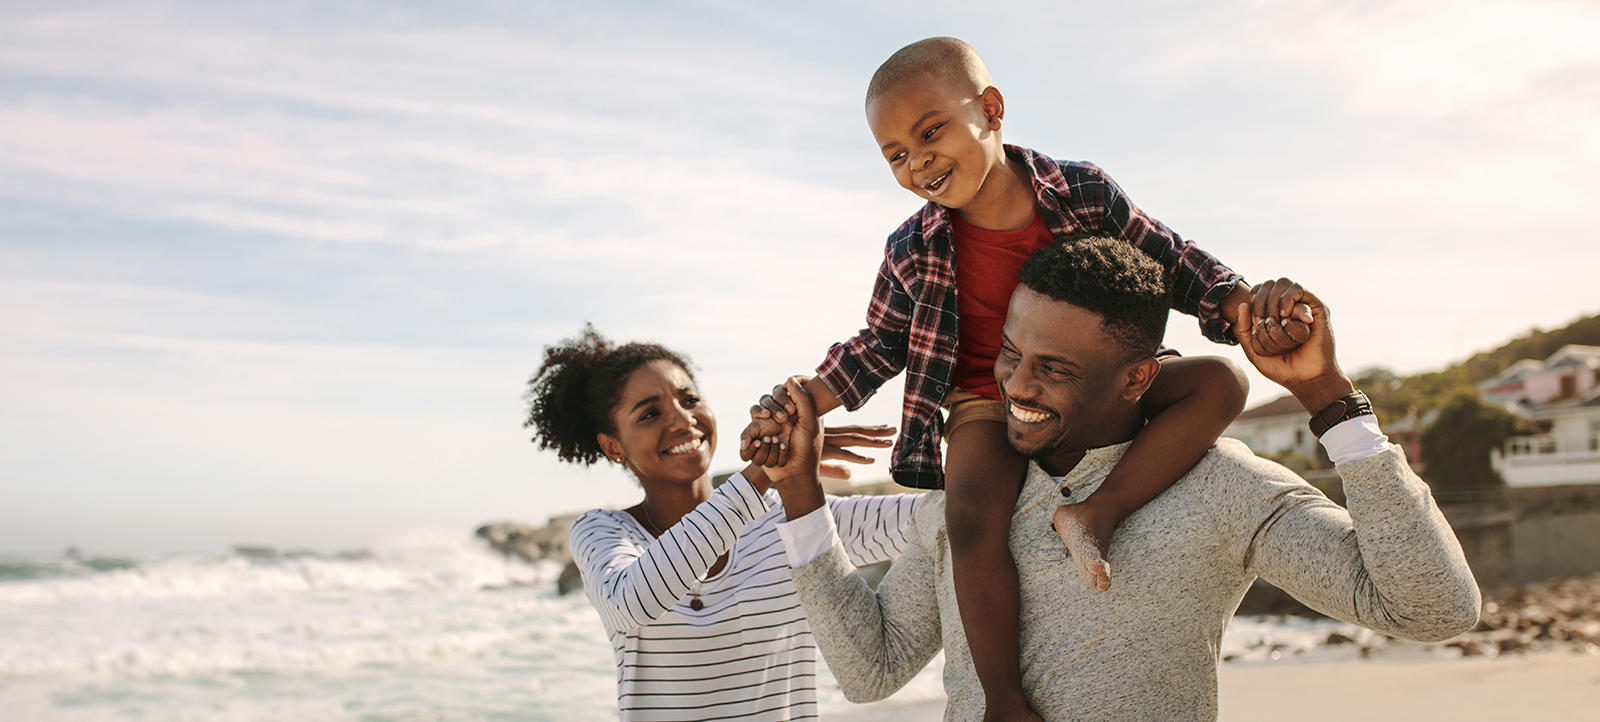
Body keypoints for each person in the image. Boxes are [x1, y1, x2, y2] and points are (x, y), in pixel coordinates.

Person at [740, 36, 1312, 721]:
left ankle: (1097, 511)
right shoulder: (911, 248)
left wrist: (1240, 302)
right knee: (973, 515)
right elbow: (878, 345)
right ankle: (1004, 700)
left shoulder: (1080, 191)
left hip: (1093, 380)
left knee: (1220, 384)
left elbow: (1171, 257)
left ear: (990, 108)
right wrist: (802, 402)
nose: (917, 161)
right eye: (894, 154)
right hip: (986, 396)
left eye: (930, 132)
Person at [763, 237, 1481, 721]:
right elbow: (871, 671)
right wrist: (800, 495)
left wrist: (1328, 399)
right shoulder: (973, 500)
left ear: (1139, 377)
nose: (1017, 385)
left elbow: (1434, 608)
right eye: (1012, 354)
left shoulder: (1220, 488)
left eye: (1056, 368)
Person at [521, 325, 921, 722]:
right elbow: (631, 602)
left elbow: (935, 521)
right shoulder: (602, 531)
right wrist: (767, 468)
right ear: (613, 446)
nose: (683, 420)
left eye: (690, 399)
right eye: (650, 413)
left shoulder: (793, 515)